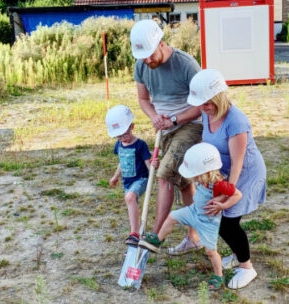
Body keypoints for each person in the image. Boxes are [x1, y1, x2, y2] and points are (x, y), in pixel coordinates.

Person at [187, 69, 267, 289]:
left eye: (206, 103)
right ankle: (237, 253)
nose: (202, 108)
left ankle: (246, 267)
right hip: (222, 173)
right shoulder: (207, 113)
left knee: (227, 222)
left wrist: (224, 195)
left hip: (244, 174)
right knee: (223, 219)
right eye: (201, 104)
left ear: (218, 98)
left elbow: (238, 164)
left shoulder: (236, 121)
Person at [130, 19, 203, 254]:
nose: (148, 60)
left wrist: (173, 119)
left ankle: (155, 235)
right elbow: (143, 100)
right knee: (183, 184)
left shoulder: (186, 64)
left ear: (161, 43)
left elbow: (203, 103)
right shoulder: (141, 65)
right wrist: (154, 116)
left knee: (165, 175)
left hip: (190, 125)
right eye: (143, 57)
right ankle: (195, 238)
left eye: (151, 54)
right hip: (165, 130)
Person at [139, 143, 242, 290]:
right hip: (193, 211)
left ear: (207, 172)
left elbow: (238, 194)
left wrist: (223, 205)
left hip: (207, 221)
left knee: (211, 252)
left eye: (196, 177)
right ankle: (158, 240)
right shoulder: (204, 178)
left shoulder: (219, 184)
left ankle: (218, 275)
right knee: (172, 217)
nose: (195, 180)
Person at [106, 105, 152, 246]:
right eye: (119, 136)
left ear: (132, 126)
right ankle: (138, 234)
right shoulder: (119, 145)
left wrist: (154, 171)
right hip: (127, 182)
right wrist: (115, 176)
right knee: (131, 203)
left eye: (124, 134)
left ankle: (133, 234)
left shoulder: (140, 145)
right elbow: (122, 161)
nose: (122, 138)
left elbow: (148, 162)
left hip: (141, 179)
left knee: (130, 197)